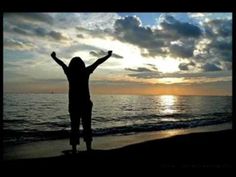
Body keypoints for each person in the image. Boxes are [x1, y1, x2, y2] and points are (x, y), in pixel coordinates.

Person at [51, 50, 112, 153]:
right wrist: (108, 55)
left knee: (74, 127)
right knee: (87, 126)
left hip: (74, 104)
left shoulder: (70, 73)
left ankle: (74, 149)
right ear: (82, 65)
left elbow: (61, 63)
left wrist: (54, 57)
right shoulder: (85, 72)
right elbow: (98, 61)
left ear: (71, 65)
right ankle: (88, 148)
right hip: (85, 104)